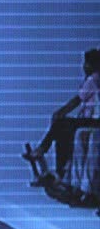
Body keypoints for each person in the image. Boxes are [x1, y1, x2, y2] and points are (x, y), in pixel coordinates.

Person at [22, 49, 100, 206]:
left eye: (87, 63)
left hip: (93, 121)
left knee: (61, 123)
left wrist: (60, 112)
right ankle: (61, 172)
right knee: (63, 129)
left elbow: (76, 100)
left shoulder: (94, 79)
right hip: (90, 120)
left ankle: (45, 153)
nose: (84, 66)